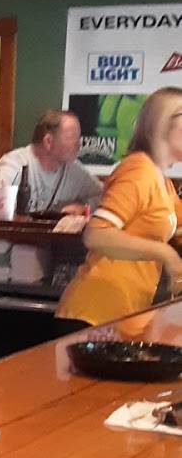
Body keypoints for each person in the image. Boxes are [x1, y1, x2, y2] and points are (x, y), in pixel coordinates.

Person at [56, 87, 182, 326]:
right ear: (163, 122)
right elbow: (97, 235)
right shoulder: (138, 171)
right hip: (93, 314)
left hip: (122, 315)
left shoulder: (163, 183)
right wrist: (164, 253)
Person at [0, 109, 102, 215]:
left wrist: (83, 207)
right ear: (48, 141)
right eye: (71, 138)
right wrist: (5, 203)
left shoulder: (74, 171)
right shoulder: (16, 163)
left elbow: (104, 196)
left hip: (45, 236)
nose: (79, 144)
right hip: (1, 235)